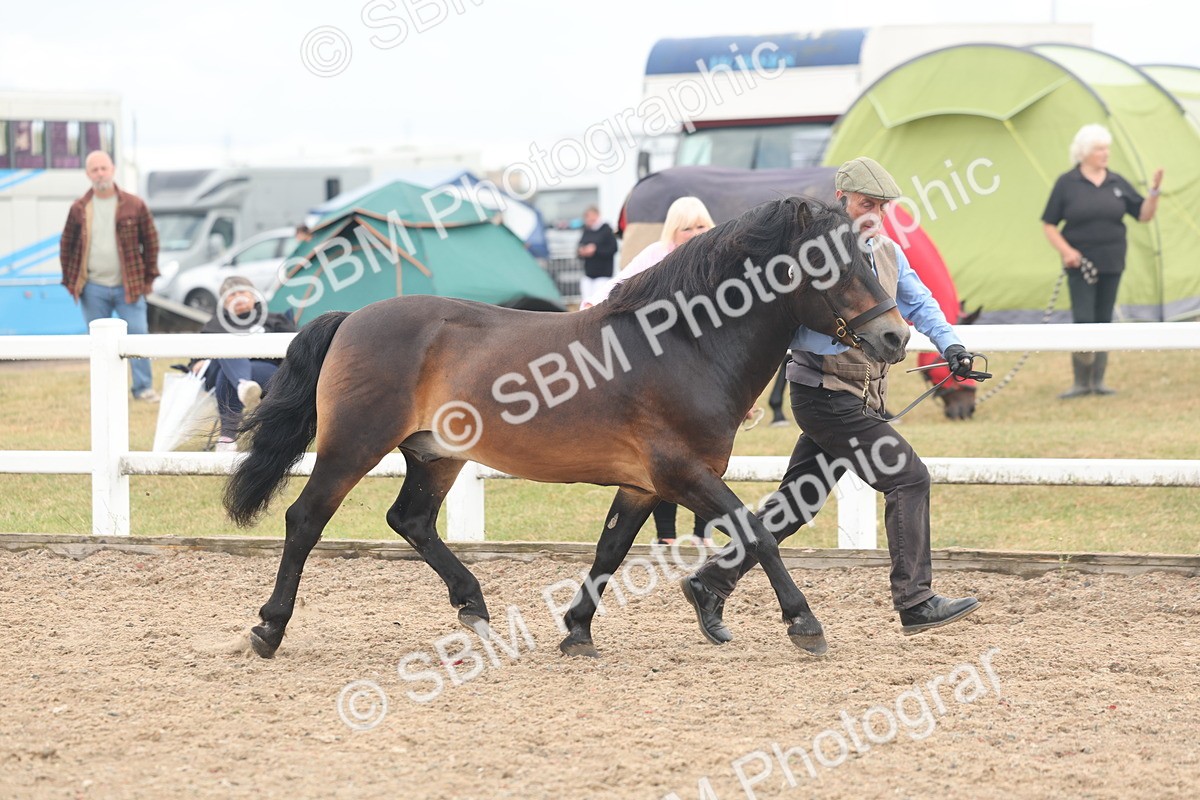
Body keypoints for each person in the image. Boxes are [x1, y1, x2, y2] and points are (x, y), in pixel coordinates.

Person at [681, 157, 982, 643]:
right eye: (866, 205)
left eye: (882, 208)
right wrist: (852, 341)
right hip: (823, 394)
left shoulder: (886, 252)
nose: (875, 216)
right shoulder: (815, 260)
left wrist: (952, 347)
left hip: (861, 398)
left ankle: (711, 580)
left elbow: (920, 302)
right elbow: (795, 332)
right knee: (908, 477)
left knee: (796, 504)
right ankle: (916, 601)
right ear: (842, 199)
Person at [591, 196, 757, 548]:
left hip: (705, 372)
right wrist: (592, 307)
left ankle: (701, 536)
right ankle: (666, 536)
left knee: (704, 459)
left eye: (702, 225)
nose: (697, 233)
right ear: (673, 232)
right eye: (688, 228)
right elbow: (618, 285)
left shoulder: (722, 261)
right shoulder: (656, 255)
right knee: (664, 455)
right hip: (662, 372)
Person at [1042, 124, 1163, 398]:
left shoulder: (1117, 182)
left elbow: (1143, 214)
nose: (1105, 153)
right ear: (1084, 153)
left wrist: (1154, 193)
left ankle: (1098, 380)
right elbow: (1049, 223)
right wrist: (1067, 251)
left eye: (1106, 148)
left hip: (1112, 262)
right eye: (1099, 149)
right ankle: (1080, 382)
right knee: (1084, 320)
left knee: (1104, 320)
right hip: (1080, 266)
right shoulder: (1067, 183)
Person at [60, 150, 161, 402]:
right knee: (98, 343)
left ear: (113, 169)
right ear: (87, 174)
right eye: (94, 169)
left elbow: (151, 243)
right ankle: (103, 392)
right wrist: (71, 281)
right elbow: (66, 245)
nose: (100, 173)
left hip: (129, 286)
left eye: (103, 168)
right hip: (92, 287)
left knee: (138, 336)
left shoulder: (134, 204)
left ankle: (143, 388)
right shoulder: (79, 208)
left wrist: (148, 279)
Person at [189, 276, 296, 452]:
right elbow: (195, 359)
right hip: (218, 374)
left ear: (254, 296)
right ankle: (243, 384)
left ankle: (227, 439)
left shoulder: (274, 320)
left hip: (265, 372)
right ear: (223, 303)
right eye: (231, 295)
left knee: (230, 373)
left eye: (242, 293)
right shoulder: (215, 325)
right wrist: (197, 363)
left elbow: (295, 350)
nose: (237, 298)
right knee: (227, 351)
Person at [576, 206, 618, 307]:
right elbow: (579, 248)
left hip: (603, 274)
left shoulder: (607, 230)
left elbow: (613, 249)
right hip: (588, 274)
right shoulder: (586, 230)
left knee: (598, 302)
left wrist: (596, 250)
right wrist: (582, 251)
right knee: (586, 302)